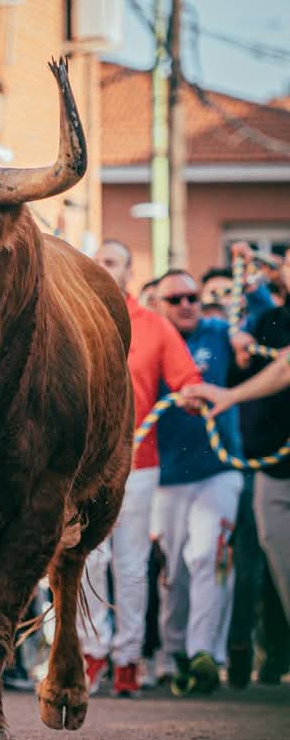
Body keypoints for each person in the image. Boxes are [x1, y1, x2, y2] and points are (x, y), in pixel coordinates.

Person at [80, 240, 203, 696]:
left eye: (111, 263)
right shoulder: (73, 318)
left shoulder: (153, 327)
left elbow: (187, 378)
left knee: (131, 564)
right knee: (88, 560)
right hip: (83, 467)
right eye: (97, 263)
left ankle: (128, 659)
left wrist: (192, 394)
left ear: (130, 273)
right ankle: (92, 653)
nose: (102, 270)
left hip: (139, 463)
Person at [150, 254, 273, 696]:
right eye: (175, 298)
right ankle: (172, 654)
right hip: (163, 477)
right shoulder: (147, 338)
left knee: (208, 558)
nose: (186, 304)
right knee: (172, 572)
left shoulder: (218, 333)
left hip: (218, 471)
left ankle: (205, 654)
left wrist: (255, 292)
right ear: (157, 303)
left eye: (193, 297)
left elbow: (263, 325)